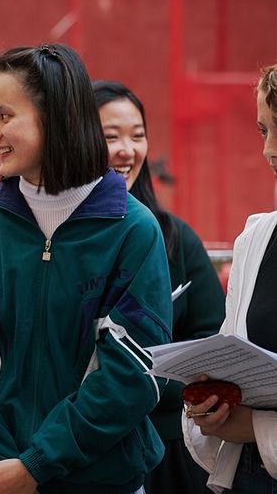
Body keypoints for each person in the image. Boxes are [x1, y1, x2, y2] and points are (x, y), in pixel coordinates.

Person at [0, 43, 172, 494]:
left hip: (102, 480)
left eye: (3, 115)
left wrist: (37, 465)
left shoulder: (134, 230)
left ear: (55, 117)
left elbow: (135, 371)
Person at [94, 80, 226, 494]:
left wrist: (159, 390)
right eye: (110, 136)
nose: (127, 150)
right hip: (82, 443)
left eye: (138, 136)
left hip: (169, 446)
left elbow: (213, 338)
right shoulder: (57, 243)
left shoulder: (175, 238)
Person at [183, 62, 277, 493]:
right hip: (248, 477)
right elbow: (231, 348)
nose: (269, 150)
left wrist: (254, 428)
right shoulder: (255, 237)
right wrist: (210, 406)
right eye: (263, 131)